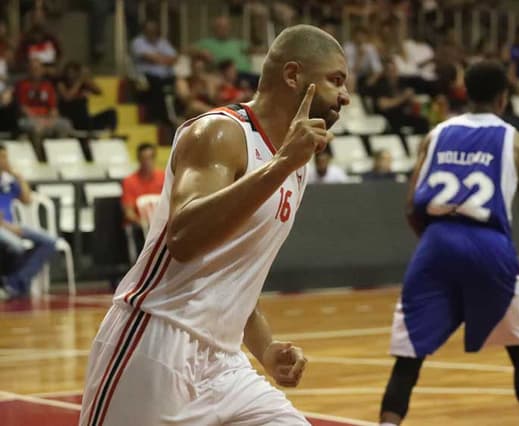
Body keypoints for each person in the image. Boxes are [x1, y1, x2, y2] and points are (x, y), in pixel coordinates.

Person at [79, 24, 349, 425]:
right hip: (154, 343)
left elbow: (233, 273)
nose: (345, 95)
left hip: (225, 363)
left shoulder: (293, 161)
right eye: (336, 80)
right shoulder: (221, 132)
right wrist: (281, 166)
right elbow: (184, 237)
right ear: (293, 76)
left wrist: (267, 348)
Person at [379, 61, 519, 426]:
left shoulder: (436, 134)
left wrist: (437, 244)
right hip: (490, 244)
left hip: (436, 242)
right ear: (503, 99)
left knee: (409, 358)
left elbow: (411, 206)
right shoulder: (516, 141)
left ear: (465, 94)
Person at [0, 144, 56, 299]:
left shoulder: (7, 181)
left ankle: (15, 282)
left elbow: (27, 200)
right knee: (16, 246)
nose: (5, 161)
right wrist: (6, 227)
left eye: (6, 157)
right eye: (1, 157)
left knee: (50, 242)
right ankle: (11, 284)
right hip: (4, 227)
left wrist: (18, 176)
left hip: (12, 226)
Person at [15, 58, 73, 160]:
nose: (35, 71)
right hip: (29, 119)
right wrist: (38, 120)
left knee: (65, 125)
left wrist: (50, 120)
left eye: (37, 69)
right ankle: (39, 158)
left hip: (46, 119)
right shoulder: (22, 85)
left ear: (42, 70)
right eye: (32, 69)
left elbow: (53, 108)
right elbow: (23, 108)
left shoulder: (48, 86)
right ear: (28, 70)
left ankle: (57, 156)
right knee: (37, 128)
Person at [120, 143, 165, 252]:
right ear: (139, 159)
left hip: (161, 224)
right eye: (144, 159)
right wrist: (143, 222)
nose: (147, 162)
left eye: (150, 158)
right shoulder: (129, 181)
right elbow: (128, 212)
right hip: (140, 227)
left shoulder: (163, 177)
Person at [131, 20, 177, 124]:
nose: (152, 33)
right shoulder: (138, 42)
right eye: (149, 31)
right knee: (157, 84)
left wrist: (158, 58)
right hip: (146, 76)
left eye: (154, 30)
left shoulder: (162, 42)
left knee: (179, 83)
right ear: (144, 31)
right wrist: (163, 59)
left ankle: (176, 115)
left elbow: (174, 58)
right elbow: (148, 57)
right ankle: (159, 117)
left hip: (166, 76)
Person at [57, 61, 117, 132]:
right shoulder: (61, 84)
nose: (71, 76)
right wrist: (79, 82)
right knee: (78, 104)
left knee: (111, 113)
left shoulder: (83, 84)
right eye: (70, 73)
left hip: (86, 121)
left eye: (75, 73)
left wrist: (86, 78)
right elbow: (67, 97)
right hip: (71, 121)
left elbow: (99, 91)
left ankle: (110, 134)